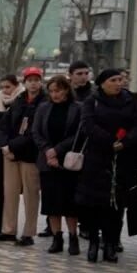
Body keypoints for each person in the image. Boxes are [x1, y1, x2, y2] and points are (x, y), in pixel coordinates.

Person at [76, 69, 137, 263]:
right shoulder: (93, 100)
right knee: (95, 204)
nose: (118, 83)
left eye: (120, 79)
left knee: (117, 205)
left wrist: (126, 142)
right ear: (103, 83)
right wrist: (109, 142)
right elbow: (88, 125)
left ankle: (111, 244)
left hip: (123, 158)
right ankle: (94, 243)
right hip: (97, 159)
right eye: (113, 80)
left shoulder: (130, 100)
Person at [30, 75, 82, 255]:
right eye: (51, 91)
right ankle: (56, 237)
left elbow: (78, 134)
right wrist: (47, 151)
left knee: (69, 203)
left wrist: (58, 150)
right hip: (47, 162)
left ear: (66, 89)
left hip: (68, 161)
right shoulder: (43, 108)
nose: (55, 94)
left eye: (58, 90)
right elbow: (36, 132)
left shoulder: (77, 109)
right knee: (51, 203)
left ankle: (73, 237)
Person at [0, 67, 44, 246]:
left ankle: (28, 232)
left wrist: (12, 145)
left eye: (36, 80)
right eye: (29, 80)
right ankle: (8, 229)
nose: (33, 83)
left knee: (31, 194)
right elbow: (3, 124)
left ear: (41, 82)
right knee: (10, 192)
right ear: (24, 83)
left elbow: (35, 131)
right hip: (10, 154)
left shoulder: (43, 102)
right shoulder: (19, 101)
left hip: (29, 154)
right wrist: (3, 145)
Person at [0, 75, 21, 241]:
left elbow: (14, 123)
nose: (5, 90)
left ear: (16, 85)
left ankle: (13, 227)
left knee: (13, 191)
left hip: (17, 150)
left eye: (8, 87)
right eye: (3, 87)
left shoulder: (22, 99)